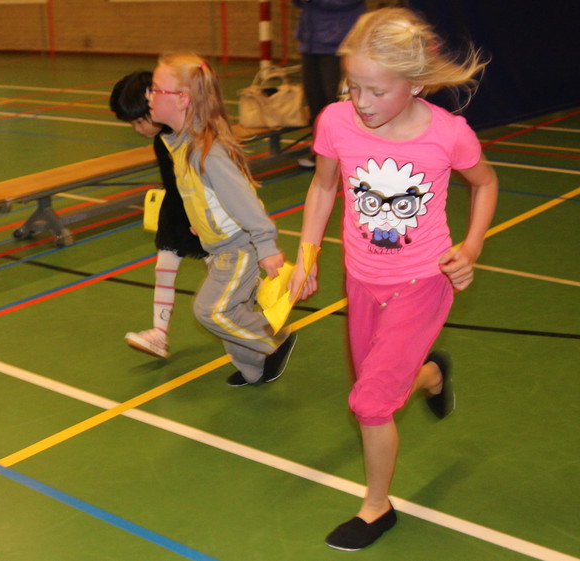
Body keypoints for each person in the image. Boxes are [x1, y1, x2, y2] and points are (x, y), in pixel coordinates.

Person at [288, 7, 498, 550]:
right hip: (361, 280)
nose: (362, 102)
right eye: (352, 86)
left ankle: (377, 507)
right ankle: (430, 376)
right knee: (379, 389)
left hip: (422, 282)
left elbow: (485, 182)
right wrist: (307, 254)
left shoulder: (447, 134)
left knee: (370, 404)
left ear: (416, 83)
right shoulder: (335, 122)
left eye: (377, 91)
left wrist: (471, 246)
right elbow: (324, 187)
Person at [147, 53, 297, 386]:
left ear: (183, 99)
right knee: (230, 313)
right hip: (216, 246)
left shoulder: (207, 151)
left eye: (156, 89)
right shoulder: (182, 144)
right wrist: (200, 222)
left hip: (238, 246)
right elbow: (199, 194)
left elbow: (243, 200)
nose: (150, 96)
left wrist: (266, 245)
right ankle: (255, 370)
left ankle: (273, 340)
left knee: (211, 310)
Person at [109, 71, 207, 359]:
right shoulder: (160, 140)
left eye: (140, 121)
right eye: (132, 124)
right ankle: (159, 335)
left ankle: (263, 303)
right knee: (163, 270)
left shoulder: (185, 135)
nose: (137, 129)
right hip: (175, 211)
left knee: (223, 271)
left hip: (200, 213)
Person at [294, 0, 365, 168]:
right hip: (310, 40)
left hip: (339, 41)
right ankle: (321, 153)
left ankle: (347, 154)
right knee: (315, 101)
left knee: (337, 101)